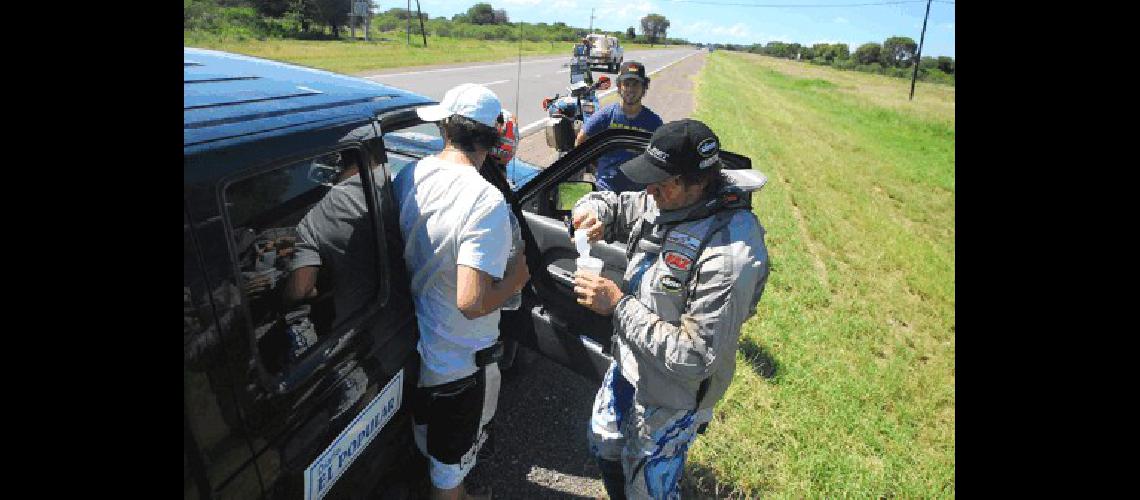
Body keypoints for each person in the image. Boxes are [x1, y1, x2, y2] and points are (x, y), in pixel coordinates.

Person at [570, 119, 770, 499]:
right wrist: (593, 211)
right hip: (630, 364)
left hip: (673, 396)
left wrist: (618, 305)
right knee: (605, 442)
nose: (649, 188)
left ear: (697, 182)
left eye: (661, 181)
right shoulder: (665, 199)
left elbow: (695, 356)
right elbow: (616, 203)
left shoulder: (730, 255)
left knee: (647, 489)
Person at [392, 83, 530, 500]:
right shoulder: (485, 200)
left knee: (432, 446)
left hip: (418, 338)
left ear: (445, 129)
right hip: (461, 360)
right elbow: (472, 302)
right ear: (493, 138)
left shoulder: (409, 174)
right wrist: (519, 278)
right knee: (447, 471)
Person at [575, 61, 663, 194]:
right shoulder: (606, 116)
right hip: (605, 190)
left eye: (636, 84)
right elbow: (581, 140)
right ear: (619, 86)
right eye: (626, 84)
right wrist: (597, 167)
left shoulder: (654, 122)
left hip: (639, 194)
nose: (630, 89)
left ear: (644, 87)